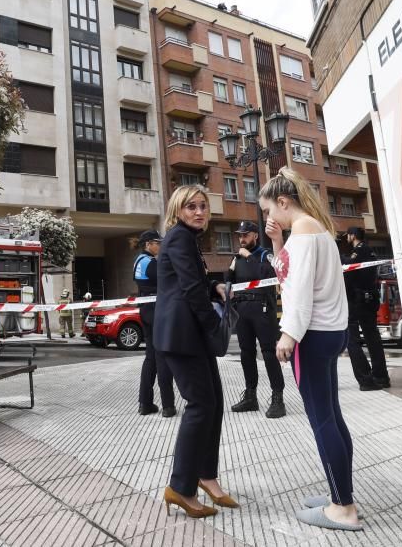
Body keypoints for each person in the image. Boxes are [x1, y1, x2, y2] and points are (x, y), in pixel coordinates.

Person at [259, 167, 362, 532]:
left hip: (311, 335)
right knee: (331, 415)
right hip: (330, 331)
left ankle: (342, 507)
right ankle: (341, 494)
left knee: (322, 420)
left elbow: (297, 289)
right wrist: (275, 244)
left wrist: (288, 334)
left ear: (284, 202)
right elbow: (292, 274)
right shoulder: (315, 227)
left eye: (270, 210)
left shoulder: (302, 232)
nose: (269, 218)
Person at [154, 184, 239, 518]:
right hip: (182, 337)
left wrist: (214, 285)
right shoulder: (178, 237)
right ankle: (181, 487)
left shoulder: (187, 240)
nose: (199, 212)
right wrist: (213, 327)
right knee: (201, 406)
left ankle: (206, 475)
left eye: (203, 205)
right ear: (178, 210)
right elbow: (189, 288)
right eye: (191, 206)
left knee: (213, 404)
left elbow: (192, 279)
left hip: (189, 336)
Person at [226, 220, 286, 418]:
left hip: (262, 309)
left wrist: (249, 256)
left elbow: (267, 275)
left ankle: (278, 398)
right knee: (246, 353)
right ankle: (250, 396)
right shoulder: (238, 257)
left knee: (269, 353)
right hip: (242, 310)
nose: (241, 239)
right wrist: (231, 270)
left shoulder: (263, 254)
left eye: (245, 235)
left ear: (255, 236)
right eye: (240, 235)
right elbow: (229, 282)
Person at [131, 230, 175, 418]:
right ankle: (168, 406)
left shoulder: (138, 261)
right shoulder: (152, 263)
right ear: (148, 244)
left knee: (150, 357)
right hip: (158, 311)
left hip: (145, 310)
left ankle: (145, 403)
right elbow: (168, 281)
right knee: (163, 356)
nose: (161, 245)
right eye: (158, 242)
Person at [341, 226, 390, 391]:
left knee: (352, 338)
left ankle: (367, 379)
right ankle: (381, 376)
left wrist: (338, 257)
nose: (346, 237)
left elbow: (349, 268)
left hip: (358, 300)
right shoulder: (371, 251)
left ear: (353, 235)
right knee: (373, 338)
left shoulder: (360, 250)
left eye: (348, 234)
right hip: (370, 298)